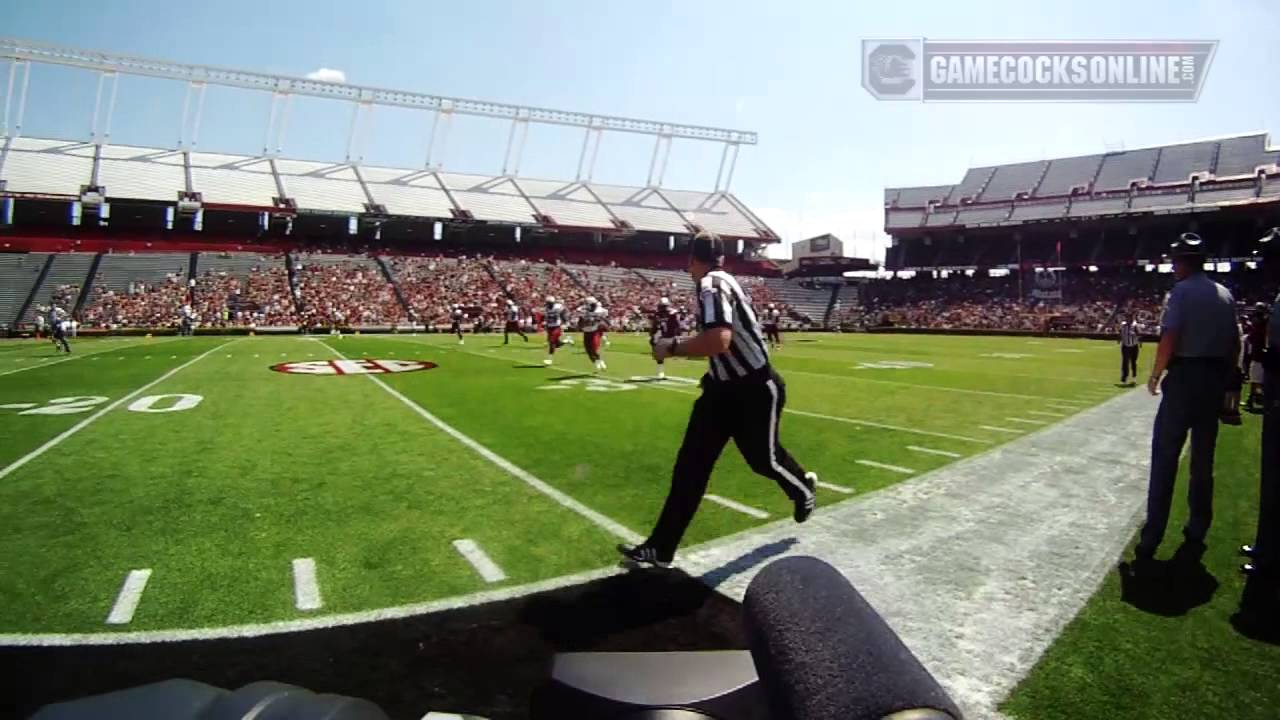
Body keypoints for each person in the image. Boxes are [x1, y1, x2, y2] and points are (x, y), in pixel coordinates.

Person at [618, 232, 821, 569]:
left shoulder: (711, 285)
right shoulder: (720, 280)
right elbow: (718, 345)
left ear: (692, 260)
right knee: (690, 469)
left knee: (763, 461)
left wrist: (670, 347)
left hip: (753, 389)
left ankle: (802, 488)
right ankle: (661, 547)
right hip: (720, 389)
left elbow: (719, 340)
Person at [1133, 233, 1239, 567]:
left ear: (1183, 262)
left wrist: (1155, 374)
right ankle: (1197, 529)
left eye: (1175, 260)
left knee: (1165, 458)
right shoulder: (1225, 294)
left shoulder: (1180, 292)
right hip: (1213, 379)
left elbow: (1171, 335)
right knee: (1202, 462)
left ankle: (1152, 537)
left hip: (1183, 380)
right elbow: (1235, 342)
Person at [650, 296, 681, 380]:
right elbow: (655, 325)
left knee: (676, 350)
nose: (662, 308)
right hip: (663, 336)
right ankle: (660, 371)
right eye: (662, 306)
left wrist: (678, 335)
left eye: (663, 306)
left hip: (672, 335)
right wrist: (652, 334)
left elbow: (678, 325)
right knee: (657, 350)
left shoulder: (673, 313)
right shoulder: (658, 314)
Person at [579, 296, 609, 372]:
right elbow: (580, 322)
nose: (594, 306)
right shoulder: (583, 311)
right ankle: (597, 362)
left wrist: (603, 323)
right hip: (586, 332)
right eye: (592, 304)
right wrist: (582, 323)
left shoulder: (600, 311)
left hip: (594, 332)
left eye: (594, 304)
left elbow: (606, 321)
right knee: (588, 351)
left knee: (594, 349)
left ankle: (600, 361)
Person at [1118, 313, 1141, 385]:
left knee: (1133, 362)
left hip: (1134, 346)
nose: (1128, 319)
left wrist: (1134, 334)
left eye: (1129, 317)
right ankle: (1124, 379)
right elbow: (1120, 332)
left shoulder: (1135, 325)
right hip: (1125, 346)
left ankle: (1134, 377)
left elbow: (1139, 334)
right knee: (1125, 362)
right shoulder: (1123, 324)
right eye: (1127, 317)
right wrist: (1119, 339)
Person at [543, 296, 566, 366]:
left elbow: (563, 313)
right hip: (550, 327)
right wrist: (545, 324)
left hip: (556, 326)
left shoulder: (558, 307)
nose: (548, 304)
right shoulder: (546, 308)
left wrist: (565, 322)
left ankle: (549, 359)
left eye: (549, 303)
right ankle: (566, 341)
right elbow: (546, 317)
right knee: (556, 343)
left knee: (551, 341)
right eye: (547, 303)